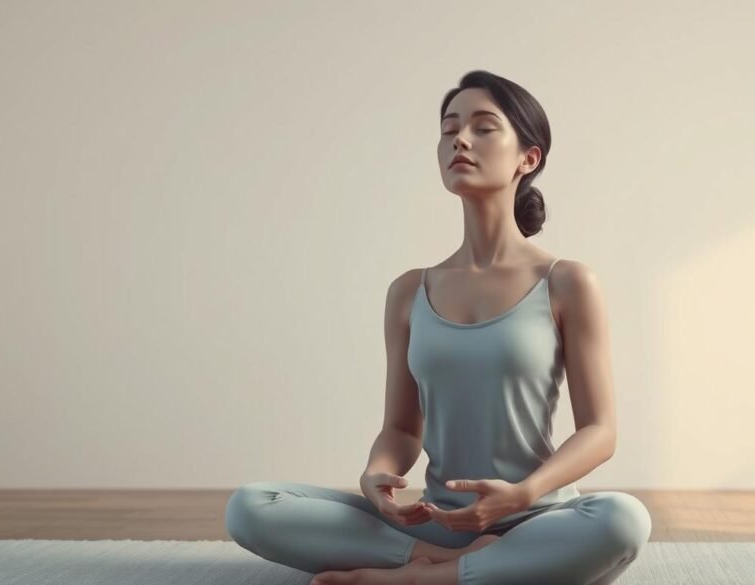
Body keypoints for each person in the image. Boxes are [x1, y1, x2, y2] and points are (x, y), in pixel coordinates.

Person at [225, 70, 652, 585]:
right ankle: (452, 564)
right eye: (449, 129)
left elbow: (599, 432)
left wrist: (522, 493)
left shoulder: (566, 282)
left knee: (623, 521)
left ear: (528, 157)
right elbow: (403, 428)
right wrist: (376, 472)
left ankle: (412, 579)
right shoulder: (409, 291)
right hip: (439, 522)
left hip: (538, 516)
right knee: (253, 506)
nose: (461, 140)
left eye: (483, 126)